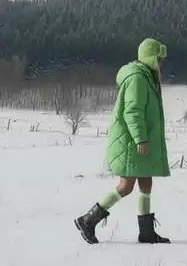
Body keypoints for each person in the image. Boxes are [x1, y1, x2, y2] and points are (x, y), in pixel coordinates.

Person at [74, 38, 171, 244]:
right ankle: (88, 220)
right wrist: (140, 139)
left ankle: (146, 232)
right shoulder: (137, 79)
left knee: (146, 182)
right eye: (159, 59)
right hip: (131, 142)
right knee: (126, 186)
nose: (161, 63)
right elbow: (132, 112)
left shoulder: (146, 77)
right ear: (150, 58)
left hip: (137, 141)